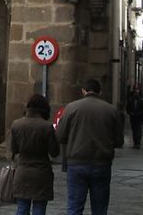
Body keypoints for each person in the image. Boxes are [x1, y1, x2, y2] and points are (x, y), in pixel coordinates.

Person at [55, 78, 123, 215]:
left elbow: (60, 135)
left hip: (76, 163)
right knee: (100, 209)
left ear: (83, 91)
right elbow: (118, 141)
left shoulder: (71, 108)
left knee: (74, 206)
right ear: (100, 92)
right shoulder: (110, 110)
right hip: (101, 163)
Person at [9, 93, 61, 215]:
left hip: (22, 171)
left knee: (22, 208)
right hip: (42, 173)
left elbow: (14, 149)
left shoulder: (16, 124)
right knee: (39, 208)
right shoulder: (47, 127)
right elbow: (54, 152)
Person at [126, 84, 143, 149]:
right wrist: (130, 113)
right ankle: (135, 143)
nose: (136, 93)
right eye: (135, 92)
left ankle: (138, 143)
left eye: (137, 92)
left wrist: (140, 113)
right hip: (133, 118)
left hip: (139, 118)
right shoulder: (130, 100)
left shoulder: (142, 100)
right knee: (134, 131)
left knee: (139, 131)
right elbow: (127, 109)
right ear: (134, 92)